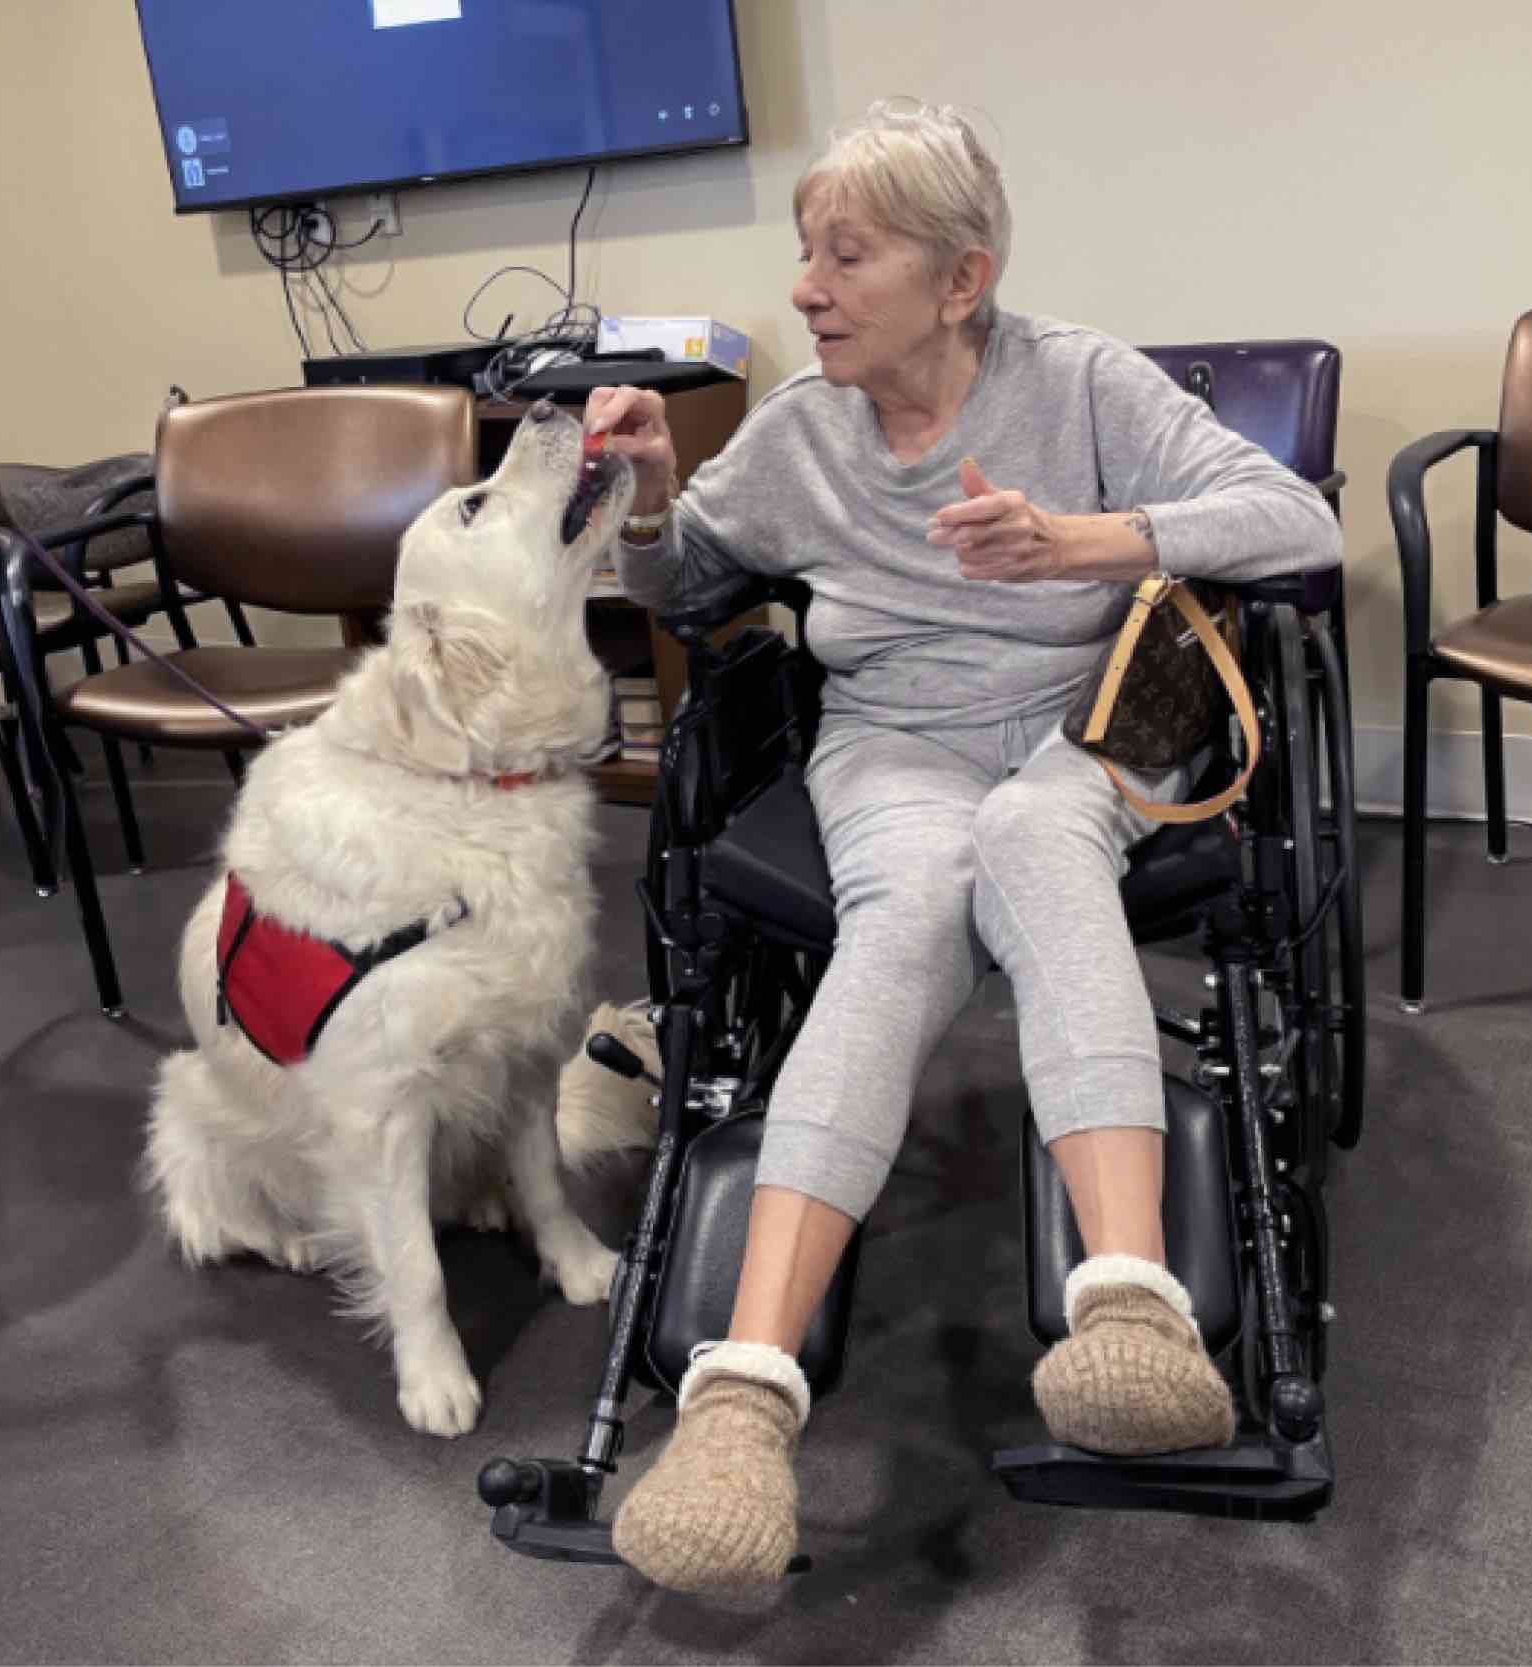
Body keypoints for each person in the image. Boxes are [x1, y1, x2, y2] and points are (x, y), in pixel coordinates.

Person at [584, 98, 1341, 1592]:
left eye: (845, 256)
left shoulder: (1082, 386)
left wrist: (1094, 543)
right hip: (896, 746)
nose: (804, 286)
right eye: (806, 251)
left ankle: (1128, 1307)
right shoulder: (799, 431)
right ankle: (741, 1405)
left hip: (1090, 727)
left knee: (1032, 830)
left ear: (960, 276)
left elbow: (1297, 525)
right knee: (913, 899)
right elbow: (682, 594)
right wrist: (656, 496)